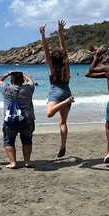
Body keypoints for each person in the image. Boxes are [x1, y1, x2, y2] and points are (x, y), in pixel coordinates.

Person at [40, 20, 75, 158]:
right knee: (63, 122)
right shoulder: (66, 65)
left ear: (52, 59)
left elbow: (46, 51)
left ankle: (66, 101)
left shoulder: (52, 67)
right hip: (67, 90)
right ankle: (63, 146)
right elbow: (63, 47)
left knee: (49, 113)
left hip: (56, 91)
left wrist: (43, 36)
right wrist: (60, 31)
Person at [0, 71, 36, 169]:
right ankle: (26, 161)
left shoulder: (6, 89)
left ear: (11, 81)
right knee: (27, 141)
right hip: (27, 119)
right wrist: (23, 74)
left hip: (10, 120)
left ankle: (13, 162)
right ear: (22, 80)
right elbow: (31, 81)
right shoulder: (29, 88)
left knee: (9, 141)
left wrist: (8, 73)